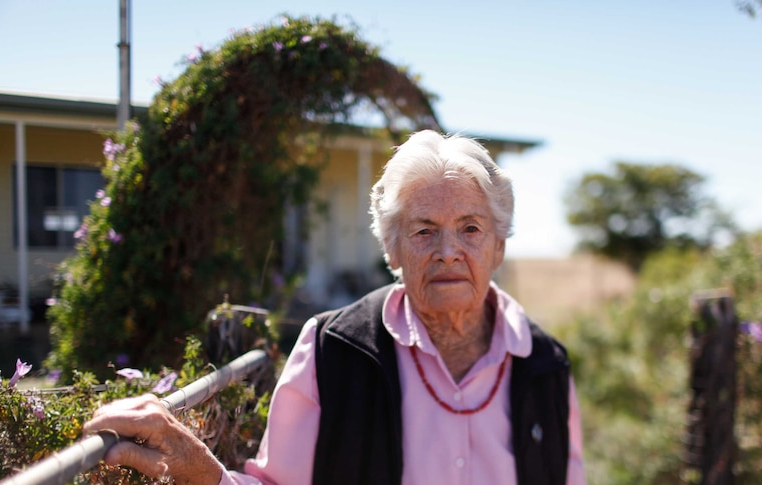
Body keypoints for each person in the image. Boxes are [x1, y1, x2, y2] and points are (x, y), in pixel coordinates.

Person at [85, 130, 586, 485]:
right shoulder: (333, 351)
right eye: (424, 230)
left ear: (498, 247)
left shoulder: (546, 365)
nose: (448, 250)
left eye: (471, 229)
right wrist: (203, 472)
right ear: (392, 250)